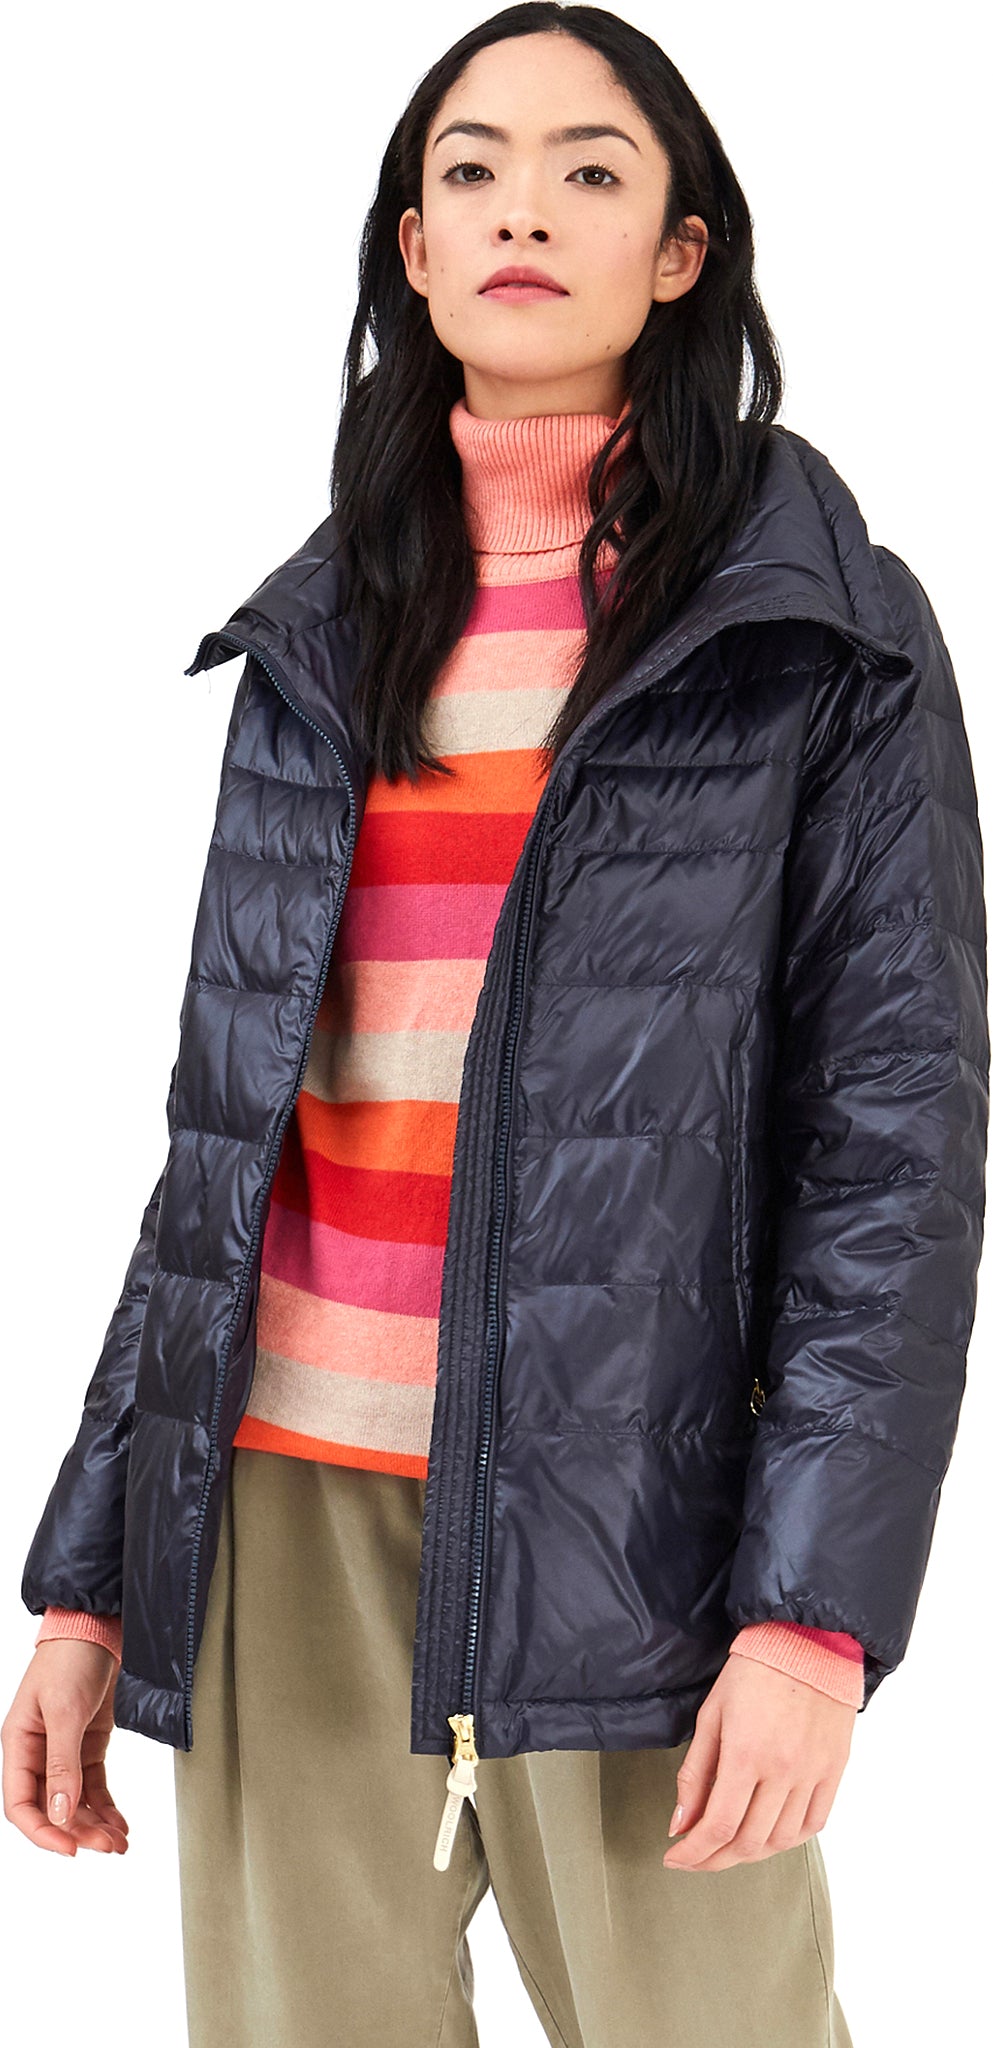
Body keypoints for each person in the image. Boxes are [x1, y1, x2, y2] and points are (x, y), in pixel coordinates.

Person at [4, 6, 988, 2045]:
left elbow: (891, 1154)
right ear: (414, 247)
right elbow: (221, 1149)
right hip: (282, 1504)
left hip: (634, 1514)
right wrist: (96, 1573)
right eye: (469, 169)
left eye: (587, 169)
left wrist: (811, 1618)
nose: (519, 209)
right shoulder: (319, 637)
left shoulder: (813, 631)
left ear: (681, 252)